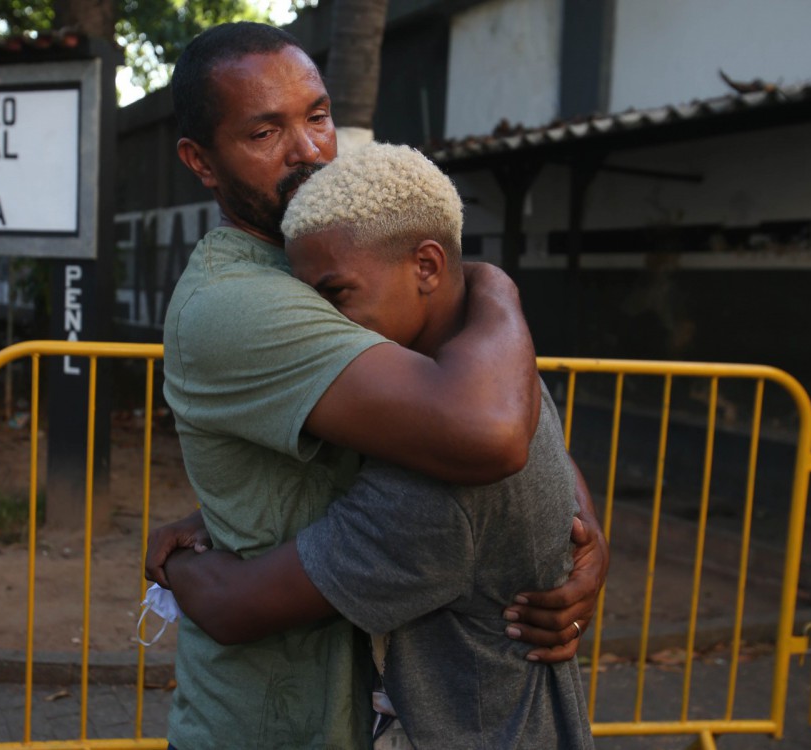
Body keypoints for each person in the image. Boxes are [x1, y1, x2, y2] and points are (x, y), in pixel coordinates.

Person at [150, 21, 607, 750]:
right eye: (265, 133)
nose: (307, 150)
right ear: (201, 162)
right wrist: (491, 283)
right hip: (275, 724)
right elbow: (485, 430)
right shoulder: (247, 300)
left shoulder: (350, 253)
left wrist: (576, 541)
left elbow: (512, 416)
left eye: (318, 116)